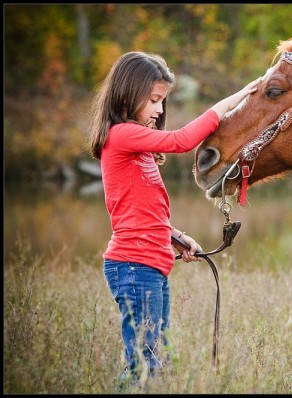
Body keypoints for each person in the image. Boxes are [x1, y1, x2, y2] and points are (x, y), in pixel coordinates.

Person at [88, 51, 259, 387]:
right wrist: (237, 99)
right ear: (128, 92)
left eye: (163, 101)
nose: (160, 110)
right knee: (143, 364)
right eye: (154, 100)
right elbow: (182, 141)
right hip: (134, 266)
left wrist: (176, 237)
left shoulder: (140, 151)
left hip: (150, 265)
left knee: (157, 359)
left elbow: (141, 211)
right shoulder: (122, 135)